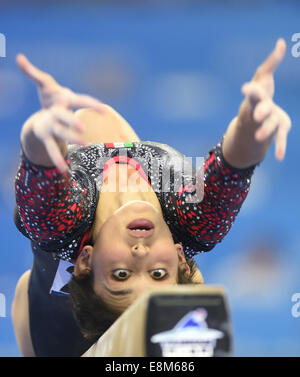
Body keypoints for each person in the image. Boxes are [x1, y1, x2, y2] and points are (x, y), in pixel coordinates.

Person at [12, 38, 291, 357]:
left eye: (121, 274)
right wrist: (252, 124)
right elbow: (235, 164)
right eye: (158, 272)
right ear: (179, 257)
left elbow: (40, 163)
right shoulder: (195, 220)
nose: (140, 253)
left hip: (54, 320)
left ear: (86, 260)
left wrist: (39, 133)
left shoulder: (60, 221)